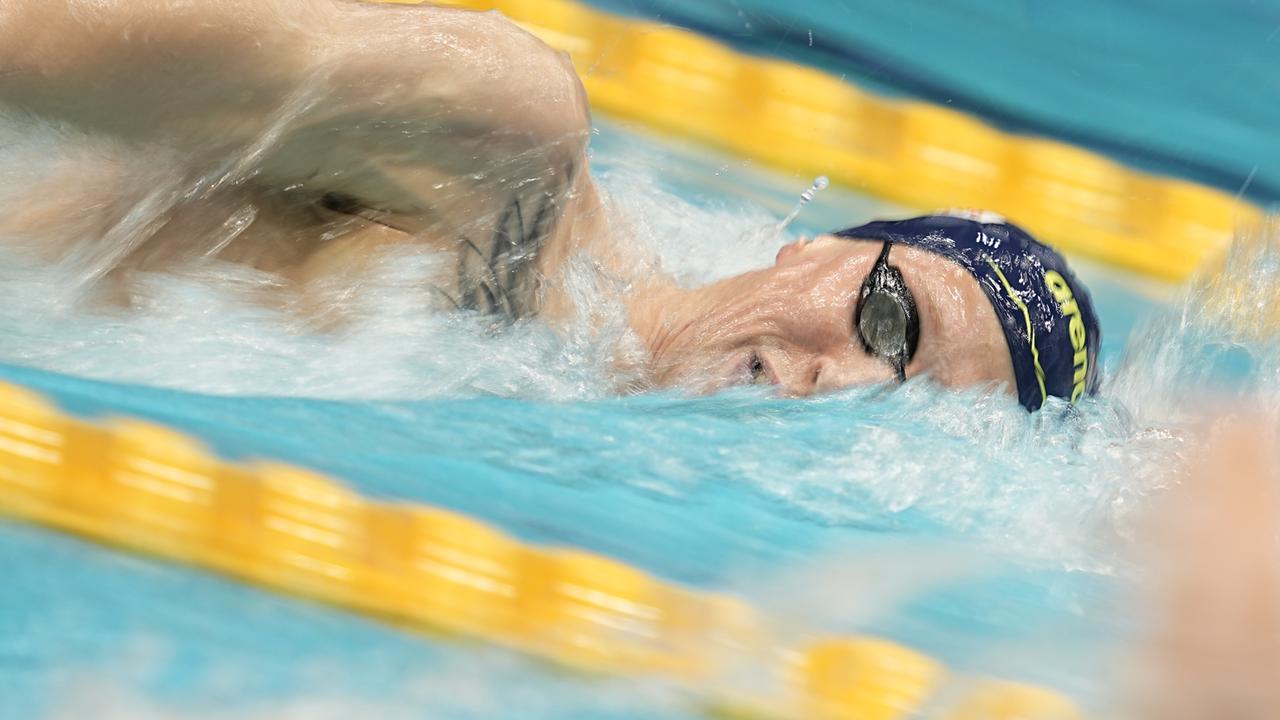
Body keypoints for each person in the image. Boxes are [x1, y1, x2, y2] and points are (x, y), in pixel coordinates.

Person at [0, 0, 1099, 409]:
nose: (844, 382)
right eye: (889, 322)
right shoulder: (498, 146)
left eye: (903, 401)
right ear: (811, 248)